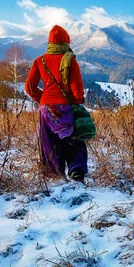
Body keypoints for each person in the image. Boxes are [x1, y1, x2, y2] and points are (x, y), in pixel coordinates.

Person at [25, 25, 87, 182]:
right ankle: (76, 171)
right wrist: (77, 101)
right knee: (73, 139)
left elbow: (29, 87)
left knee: (48, 142)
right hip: (66, 106)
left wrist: (43, 99)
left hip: (45, 109)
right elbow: (77, 88)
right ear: (66, 40)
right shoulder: (70, 60)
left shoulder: (39, 61)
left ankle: (54, 175)